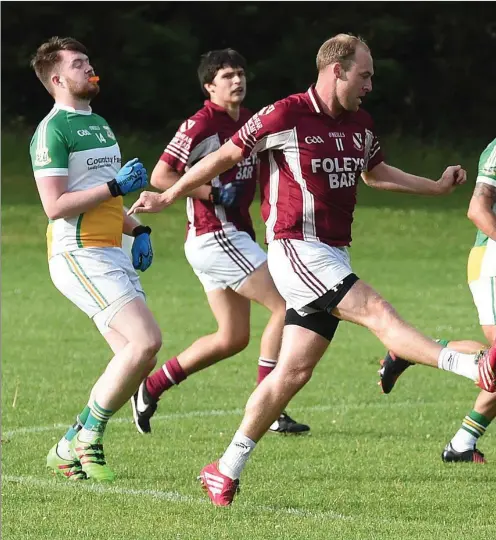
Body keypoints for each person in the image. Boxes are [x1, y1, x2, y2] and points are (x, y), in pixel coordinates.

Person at [128, 33, 496, 506]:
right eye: (364, 75)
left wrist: (436, 187)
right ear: (336, 70)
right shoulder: (286, 114)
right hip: (297, 250)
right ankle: (473, 366)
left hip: (331, 253)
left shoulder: (360, 121)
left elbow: (376, 172)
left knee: (292, 374)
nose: (369, 85)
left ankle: (225, 468)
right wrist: (168, 195)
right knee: (378, 312)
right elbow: (224, 157)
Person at [130, 49, 309, 435]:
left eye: (241, 73)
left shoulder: (250, 121)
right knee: (285, 304)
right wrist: (211, 193)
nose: (237, 81)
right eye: (227, 76)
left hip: (233, 236)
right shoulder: (200, 124)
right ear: (209, 86)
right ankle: (270, 405)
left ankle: (151, 386)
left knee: (232, 337)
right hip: (214, 235)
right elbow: (162, 176)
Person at [30, 36, 162, 482]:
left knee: (135, 357)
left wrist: (137, 228)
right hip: (78, 254)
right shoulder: (53, 130)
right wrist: (114, 187)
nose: (90, 69)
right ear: (57, 78)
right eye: (79, 64)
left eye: (89, 61)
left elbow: (104, 198)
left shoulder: (100, 124)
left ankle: (68, 445)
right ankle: (90, 438)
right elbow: (55, 205)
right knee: (146, 341)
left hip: (111, 251)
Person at [379, 138, 496, 463]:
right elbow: (478, 209)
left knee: (495, 365)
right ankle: (414, 349)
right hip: (492, 259)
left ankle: (462, 444)